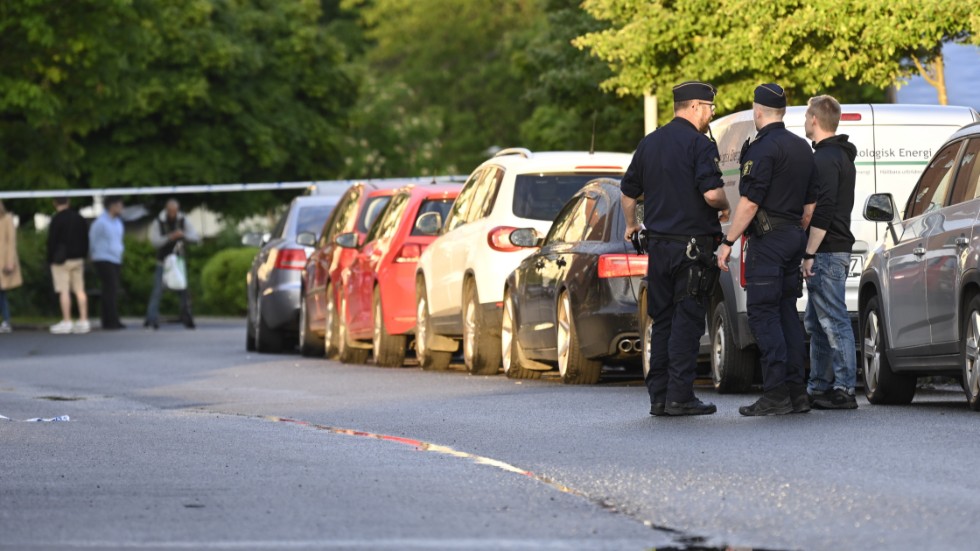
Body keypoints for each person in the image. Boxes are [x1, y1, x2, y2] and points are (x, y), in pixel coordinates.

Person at [622, 81, 731, 417]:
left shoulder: (649, 144)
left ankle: (659, 397)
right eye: (710, 108)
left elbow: (628, 192)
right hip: (692, 250)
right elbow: (711, 194)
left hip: (659, 250)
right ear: (695, 106)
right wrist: (728, 206)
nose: (712, 115)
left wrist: (631, 225)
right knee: (687, 321)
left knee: (663, 321)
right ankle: (680, 396)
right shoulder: (699, 145)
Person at [717, 83, 817, 416]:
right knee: (787, 312)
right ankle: (796, 392)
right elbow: (810, 205)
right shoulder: (802, 147)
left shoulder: (763, 148)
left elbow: (749, 203)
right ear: (783, 112)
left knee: (762, 313)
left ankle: (775, 393)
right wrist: (793, 232)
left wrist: (727, 242)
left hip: (769, 242)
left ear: (758, 111)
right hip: (793, 238)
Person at [801, 95, 858, 409]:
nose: (805, 120)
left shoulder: (824, 160)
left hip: (826, 250)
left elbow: (822, 212)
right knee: (817, 320)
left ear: (814, 119)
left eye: (807, 115)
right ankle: (820, 386)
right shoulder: (840, 156)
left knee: (833, 320)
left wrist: (809, 252)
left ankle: (844, 389)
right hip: (832, 248)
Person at [145, 198, 200, 330]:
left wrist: (183, 235)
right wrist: (170, 237)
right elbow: (154, 241)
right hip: (163, 261)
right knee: (157, 290)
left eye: (175, 211)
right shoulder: (158, 222)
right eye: (170, 211)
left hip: (178, 261)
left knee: (183, 290)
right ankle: (151, 318)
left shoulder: (183, 220)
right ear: (166, 210)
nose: (173, 214)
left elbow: (195, 237)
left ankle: (186, 316)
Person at [47, 197, 91, 334]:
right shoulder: (79, 218)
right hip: (78, 258)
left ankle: (67, 321)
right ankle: (84, 320)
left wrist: (50, 258)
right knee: (80, 290)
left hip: (61, 260)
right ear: (69, 201)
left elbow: (51, 241)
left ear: (55, 203)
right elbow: (86, 238)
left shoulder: (56, 219)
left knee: (64, 290)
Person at [89, 196, 126, 330]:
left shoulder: (117, 222)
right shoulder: (100, 222)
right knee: (110, 288)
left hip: (115, 258)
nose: (121, 208)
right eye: (119, 205)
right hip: (103, 257)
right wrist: (93, 254)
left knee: (111, 290)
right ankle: (110, 321)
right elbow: (93, 239)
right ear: (112, 206)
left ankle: (111, 319)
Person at [0, 200, 23, 333]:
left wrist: (10, 262)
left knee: (2, 293)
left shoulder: (7, 219)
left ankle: (6, 320)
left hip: (3, 262)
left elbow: (11, 241)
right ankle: (6, 320)